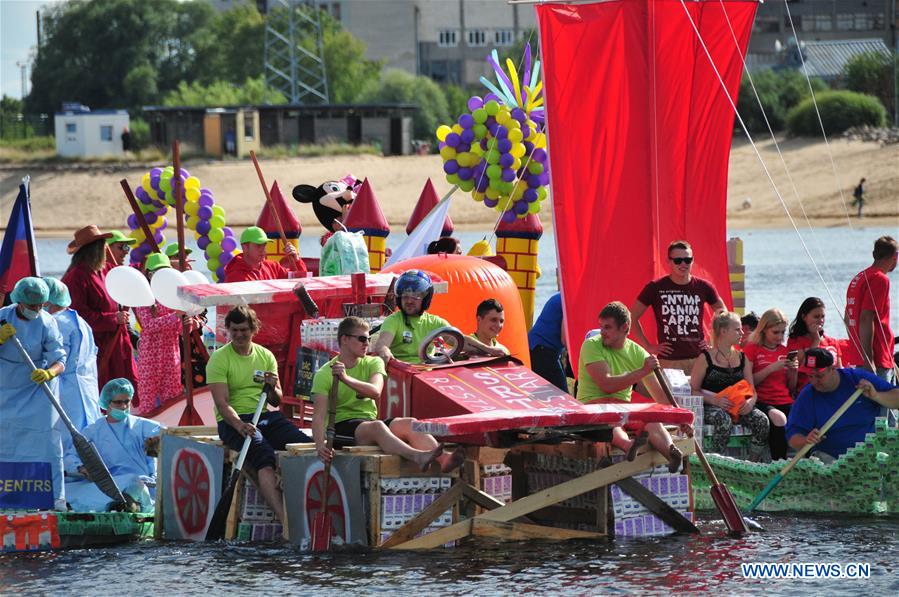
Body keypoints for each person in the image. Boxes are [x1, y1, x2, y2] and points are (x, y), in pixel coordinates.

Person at [311, 317, 465, 472]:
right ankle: (418, 457)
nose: (366, 344)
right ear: (344, 339)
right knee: (377, 426)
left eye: (369, 339)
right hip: (340, 428)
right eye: (362, 339)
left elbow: (375, 391)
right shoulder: (324, 373)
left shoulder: (374, 362)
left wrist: (345, 378)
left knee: (411, 423)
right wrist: (320, 446)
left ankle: (443, 459)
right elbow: (318, 417)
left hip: (367, 422)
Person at [206, 305, 312, 524]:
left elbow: (276, 400)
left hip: (264, 416)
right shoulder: (219, 359)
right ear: (228, 330)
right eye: (234, 330)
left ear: (254, 329)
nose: (239, 335)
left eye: (244, 330)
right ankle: (286, 522)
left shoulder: (265, 356)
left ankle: (309, 507)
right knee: (264, 455)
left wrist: (271, 387)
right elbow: (222, 404)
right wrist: (239, 425)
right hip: (232, 421)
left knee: (305, 446)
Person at [576, 302, 685, 473]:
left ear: (624, 327)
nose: (602, 332)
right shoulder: (591, 345)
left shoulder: (638, 353)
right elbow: (606, 384)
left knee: (651, 420)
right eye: (601, 326)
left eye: (607, 327)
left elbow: (661, 397)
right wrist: (642, 371)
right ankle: (628, 445)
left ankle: (671, 452)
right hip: (593, 406)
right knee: (612, 422)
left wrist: (680, 418)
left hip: (623, 409)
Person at [0, 277, 67, 510]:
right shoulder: (2, 317)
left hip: (37, 389)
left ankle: (54, 499)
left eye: (41, 305)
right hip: (5, 387)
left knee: (47, 442)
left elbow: (60, 359)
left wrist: (49, 373)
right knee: (5, 440)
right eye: (32, 305)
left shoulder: (47, 322)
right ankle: (7, 498)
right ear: (19, 301)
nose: (37, 309)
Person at [65, 379, 163, 512]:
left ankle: (126, 502)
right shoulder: (93, 431)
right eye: (118, 402)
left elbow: (165, 436)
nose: (123, 406)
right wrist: (82, 468)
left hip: (139, 483)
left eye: (127, 401)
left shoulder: (143, 426)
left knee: (134, 482)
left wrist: (158, 442)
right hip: (109, 483)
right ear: (107, 403)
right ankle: (124, 503)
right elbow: (71, 456)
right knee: (68, 490)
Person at [786, 348, 899, 463]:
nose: (814, 381)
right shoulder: (808, 395)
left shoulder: (857, 378)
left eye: (819, 376)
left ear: (833, 368)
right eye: (810, 376)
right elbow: (792, 437)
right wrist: (806, 440)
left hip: (870, 453)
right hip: (829, 457)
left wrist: (876, 396)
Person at [62, 225, 138, 392]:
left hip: (118, 341)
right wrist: (113, 318)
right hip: (96, 347)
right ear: (94, 249)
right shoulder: (76, 276)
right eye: (102, 246)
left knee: (125, 388)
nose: (105, 249)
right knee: (102, 390)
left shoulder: (107, 270)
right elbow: (77, 316)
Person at [631, 240, 726, 374]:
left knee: (702, 389)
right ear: (669, 261)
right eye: (678, 260)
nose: (683, 264)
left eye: (687, 260)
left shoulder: (704, 287)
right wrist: (648, 347)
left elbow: (724, 314)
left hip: (699, 358)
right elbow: (632, 317)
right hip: (669, 361)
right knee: (668, 390)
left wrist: (713, 341)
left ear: (693, 260)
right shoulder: (655, 288)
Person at [372, 270, 503, 364]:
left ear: (425, 299)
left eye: (416, 296)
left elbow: (460, 340)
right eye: (405, 296)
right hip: (403, 374)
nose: (409, 301)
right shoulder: (393, 320)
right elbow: (382, 344)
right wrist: (384, 351)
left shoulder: (434, 322)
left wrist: (489, 350)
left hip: (429, 373)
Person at [690, 311, 769, 460]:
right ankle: (715, 461)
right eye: (737, 329)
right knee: (723, 419)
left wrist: (750, 402)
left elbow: (752, 389)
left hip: (738, 406)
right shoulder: (705, 358)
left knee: (762, 421)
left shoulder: (742, 357)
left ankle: (751, 463)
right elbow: (694, 390)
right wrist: (715, 400)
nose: (742, 333)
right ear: (723, 331)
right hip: (712, 406)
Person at [43, 277, 102, 469]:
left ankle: (74, 469)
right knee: (88, 432)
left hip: (65, 388)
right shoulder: (80, 321)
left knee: (66, 436)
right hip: (86, 386)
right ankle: (85, 468)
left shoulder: (55, 323)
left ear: (47, 300)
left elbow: (54, 359)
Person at [133, 253, 196, 415]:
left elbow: (181, 331)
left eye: (164, 272)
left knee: (172, 399)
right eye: (156, 272)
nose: (160, 277)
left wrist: (188, 323)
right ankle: (146, 428)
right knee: (147, 401)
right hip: (150, 356)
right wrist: (175, 316)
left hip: (171, 354)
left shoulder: (174, 297)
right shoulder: (143, 296)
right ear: (148, 274)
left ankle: (171, 427)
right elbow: (148, 325)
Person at [743, 309, 798, 460]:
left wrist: (793, 371)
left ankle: (805, 461)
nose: (780, 337)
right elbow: (749, 382)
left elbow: (791, 387)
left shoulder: (784, 351)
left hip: (784, 400)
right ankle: (778, 463)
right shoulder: (752, 349)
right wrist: (771, 368)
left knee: (807, 416)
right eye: (775, 332)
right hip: (762, 400)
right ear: (764, 330)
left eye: (783, 332)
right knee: (778, 418)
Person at [844, 236, 896, 383]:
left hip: (860, 357)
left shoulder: (859, 278)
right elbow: (866, 318)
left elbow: (847, 318)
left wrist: (859, 352)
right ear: (895, 256)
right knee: (883, 397)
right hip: (876, 358)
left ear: (874, 254)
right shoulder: (880, 279)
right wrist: (868, 359)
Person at [786, 297, 843, 392]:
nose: (821, 320)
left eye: (823, 316)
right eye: (816, 317)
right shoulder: (795, 341)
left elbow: (839, 370)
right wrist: (816, 340)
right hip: (807, 389)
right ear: (804, 317)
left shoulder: (832, 341)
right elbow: (803, 367)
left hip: (832, 388)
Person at [223, 226, 306, 282]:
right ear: (245, 247)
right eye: (258, 245)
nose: (263, 249)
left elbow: (299, 282)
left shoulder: (273, 267)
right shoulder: (235, 276)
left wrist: (296, 261)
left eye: (264, 245)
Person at [528, 292, 568, 391]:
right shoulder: (569, 300)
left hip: (536, 347)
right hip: (542, 350)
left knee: (545, 394)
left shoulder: (562, 295)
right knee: (561, 395)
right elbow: (565, 340)